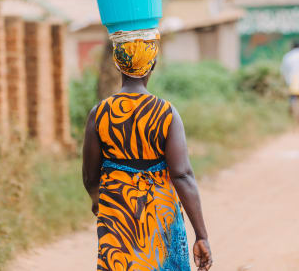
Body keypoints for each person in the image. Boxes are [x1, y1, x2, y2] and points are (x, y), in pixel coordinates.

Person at [82, 29, 212, 271]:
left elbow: (90, 176)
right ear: (152, 63)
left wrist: (98, 202)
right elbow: (182, 174)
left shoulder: (99, 113)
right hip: (160, 210)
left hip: (116, 208)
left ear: (117, 63)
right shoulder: (166, 113)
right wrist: (201, 235)